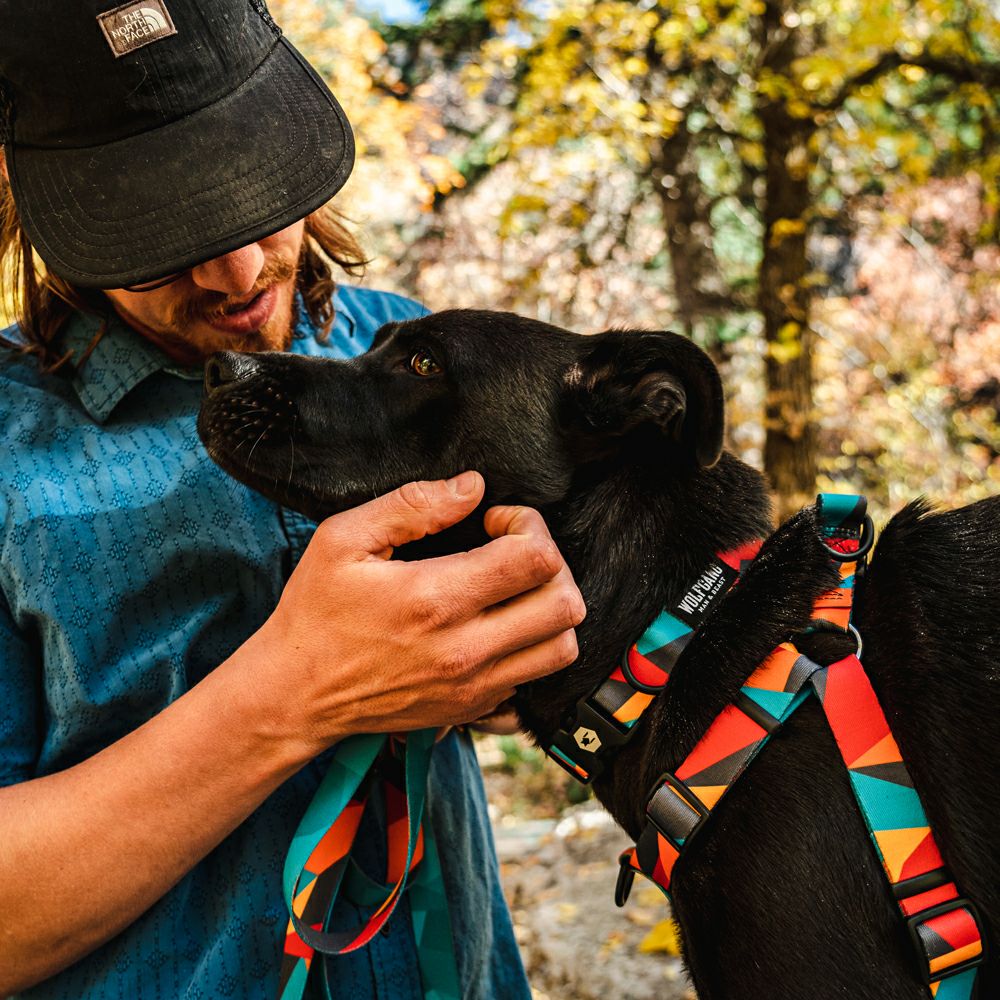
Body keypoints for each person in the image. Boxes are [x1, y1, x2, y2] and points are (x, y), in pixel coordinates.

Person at [0, 2, 585, 997]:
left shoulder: (419, 354)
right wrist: (288, 695)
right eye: (157, 227)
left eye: (250, 192)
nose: (236, 273)